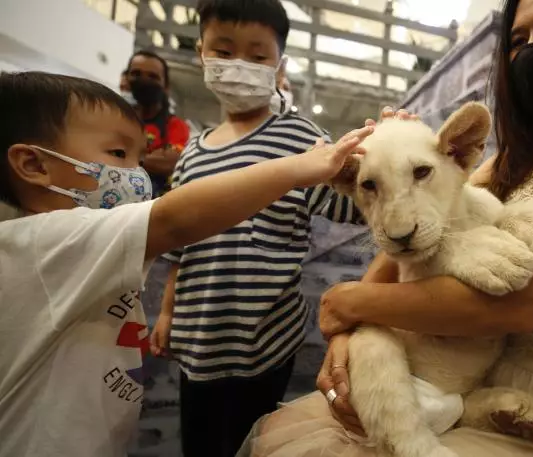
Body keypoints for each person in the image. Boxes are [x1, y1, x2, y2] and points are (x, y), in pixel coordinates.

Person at [239, 0, 533, 456]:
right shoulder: (515, 158)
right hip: (480, 376)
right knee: (279, 434)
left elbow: (522, 305)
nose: (531, 51)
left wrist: (348, 302)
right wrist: (349, 336)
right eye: (516, 40)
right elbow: (409, 241)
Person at [0, 71, 371, 457]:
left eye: (137, 158)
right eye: (117, 155)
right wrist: (303, 166)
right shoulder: (48, 243)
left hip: (261, 342)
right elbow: (174, 222)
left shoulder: (58, 245)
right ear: (33, 163)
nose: (136, 174)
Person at [147, 1, 365, 456]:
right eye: (223, 51)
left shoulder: (302, 138)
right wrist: (167, 312)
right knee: (201, 444)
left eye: (257, 55)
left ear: (279, 63)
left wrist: (383, 164)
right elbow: (176, 243)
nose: (238, 65)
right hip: (197, 336)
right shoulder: (191, 153)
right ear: (202, 52)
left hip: (265, 338)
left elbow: (349, 206)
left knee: (253, 445)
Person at [124, 50, 190, 197]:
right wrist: (145, 156)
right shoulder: (116, 118)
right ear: (126, 78)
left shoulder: (175, 125)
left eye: (153, 76)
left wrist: (121, 156)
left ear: (166, 87)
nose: (144, 80)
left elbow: (168, 163)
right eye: (136, 74)